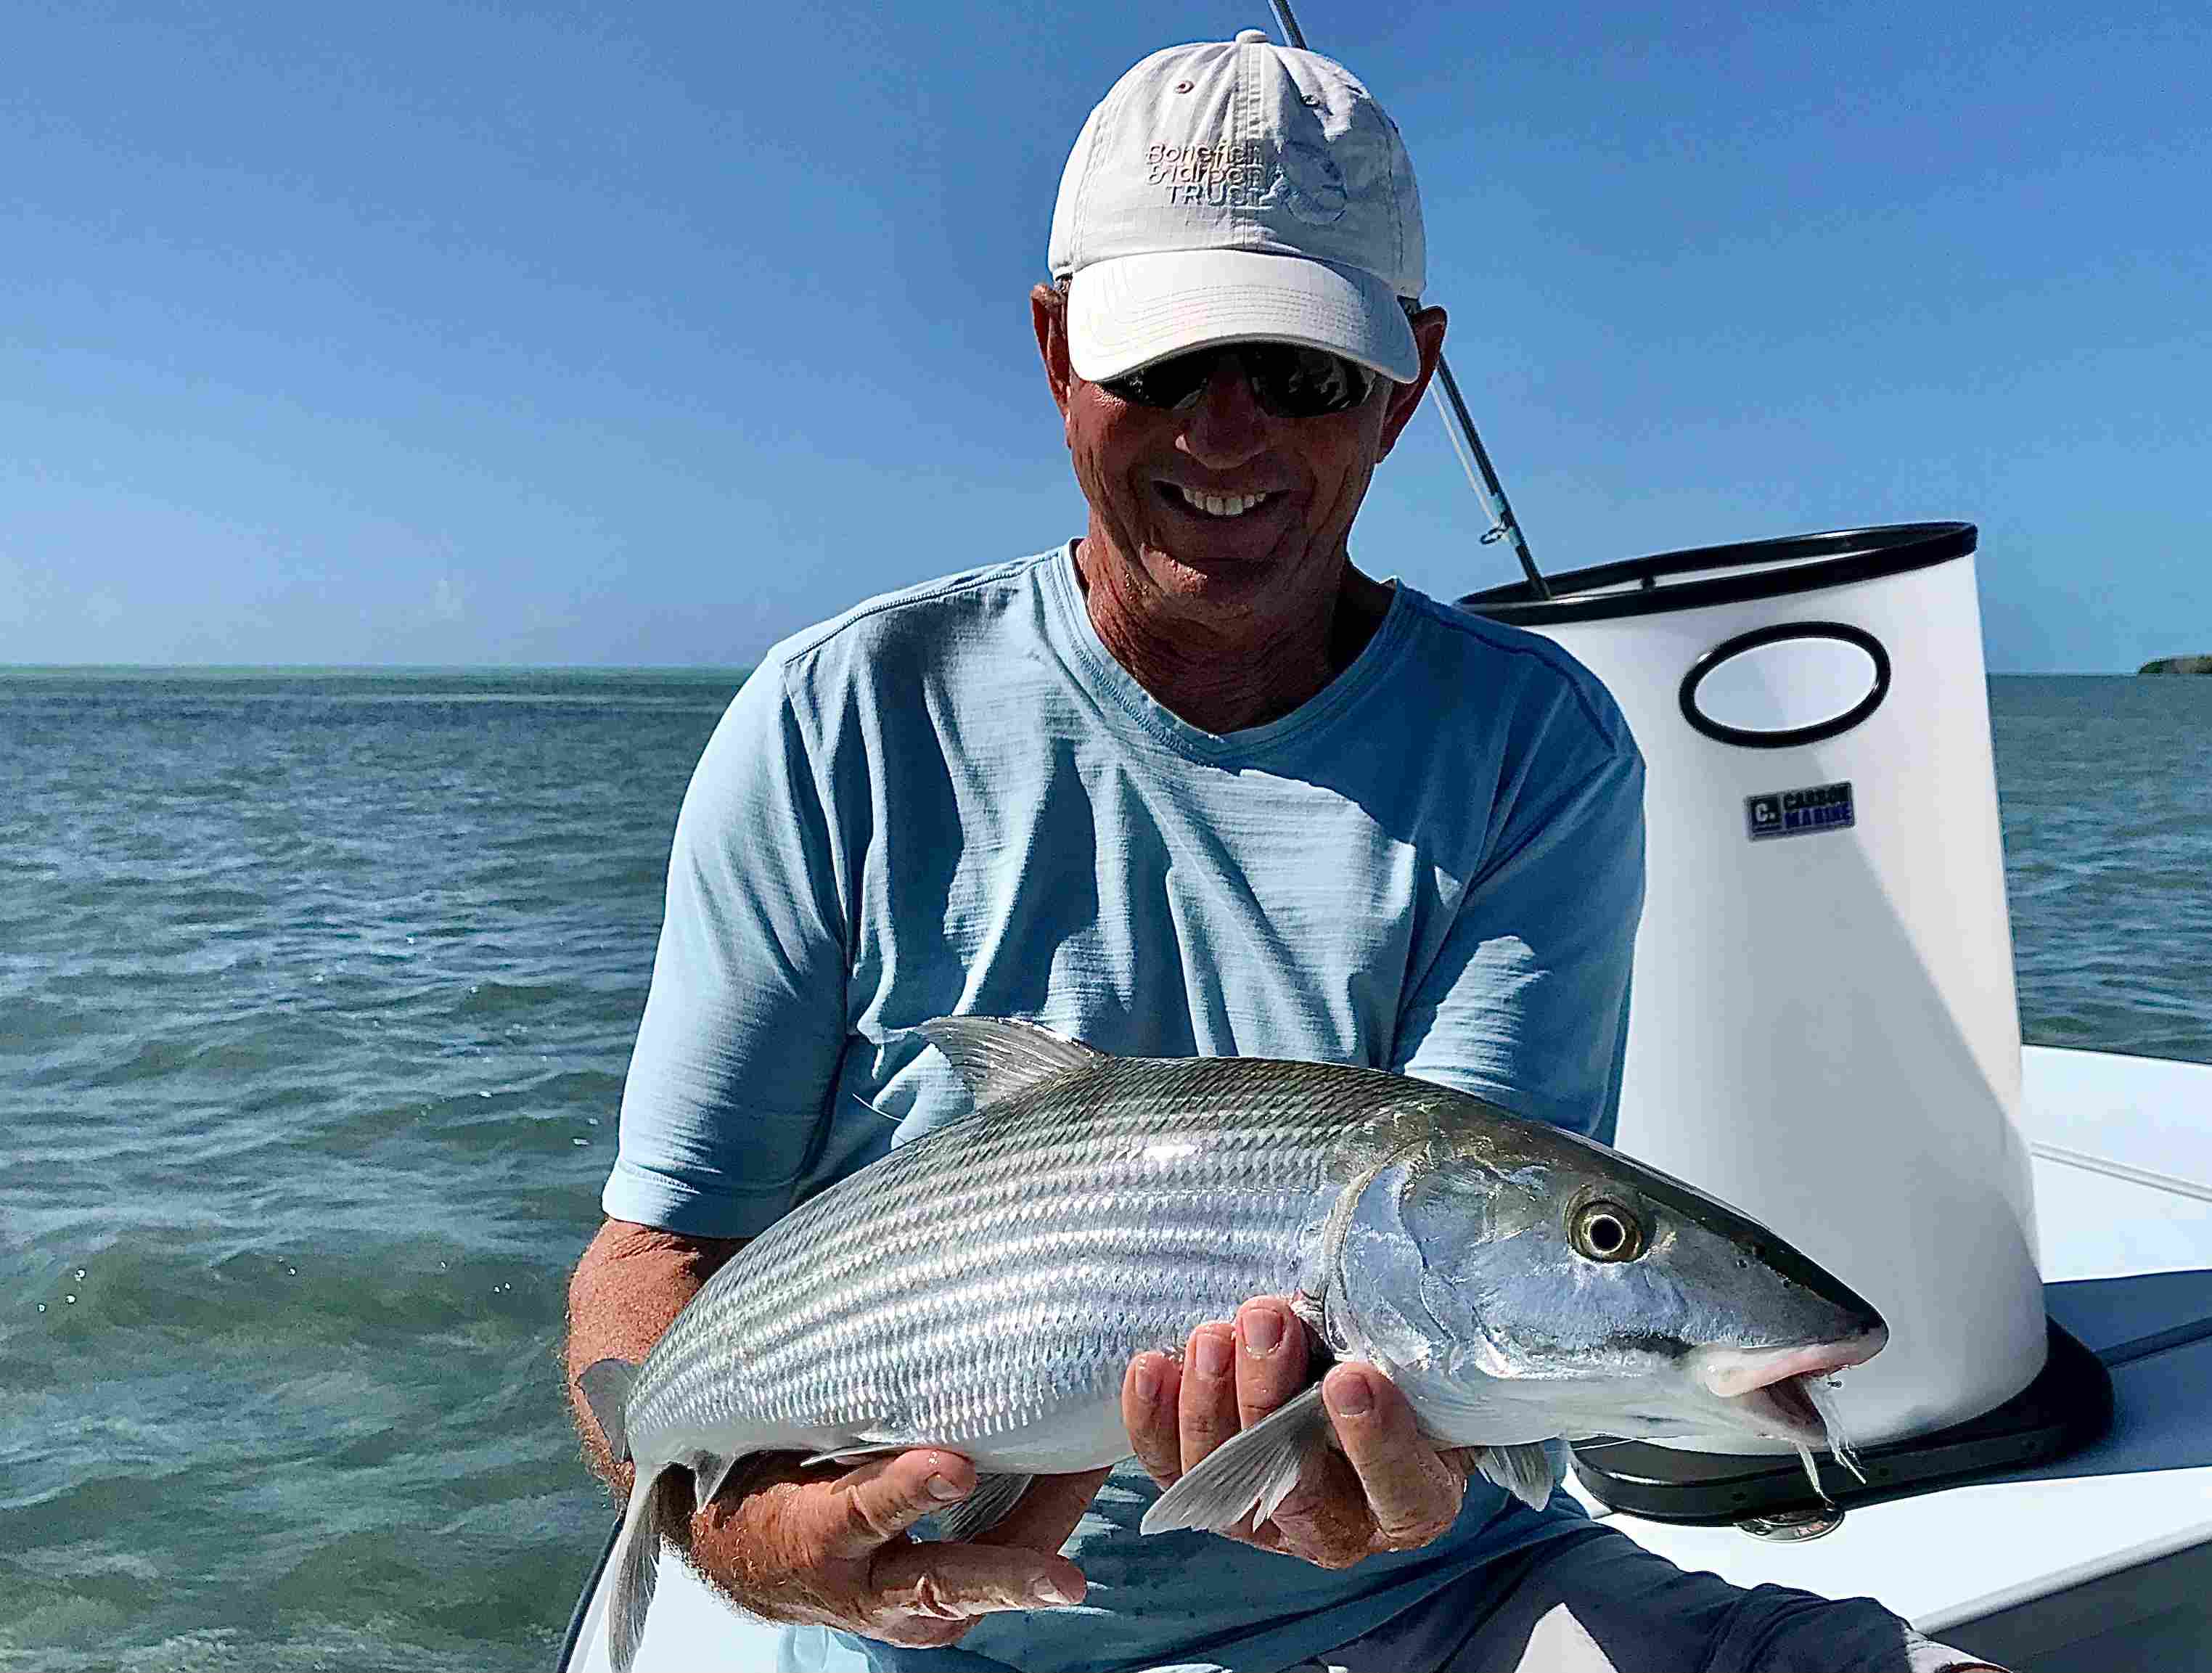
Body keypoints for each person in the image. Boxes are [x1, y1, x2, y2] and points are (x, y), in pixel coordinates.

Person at [565, 32, 2004, 1673]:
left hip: (1433, 1600)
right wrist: (745, 1535)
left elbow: (1468, 1290)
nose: (1227, 434)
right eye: (1164, 366)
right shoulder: (839, 716)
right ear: (1054, 356)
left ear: (1406, 384)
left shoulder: (1537, 746)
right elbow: (655, 1259)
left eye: (1302, 374)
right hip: (922, 1643)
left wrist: (1373, 1489)